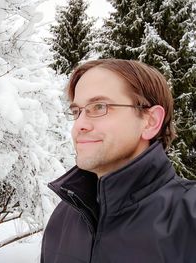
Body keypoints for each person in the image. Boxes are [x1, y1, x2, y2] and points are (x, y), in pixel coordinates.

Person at [41, 59, 196, 263]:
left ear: (150, 121)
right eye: (76, 111)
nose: (79, 125)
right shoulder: (65, 215)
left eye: (99, 107)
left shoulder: (189, 215)